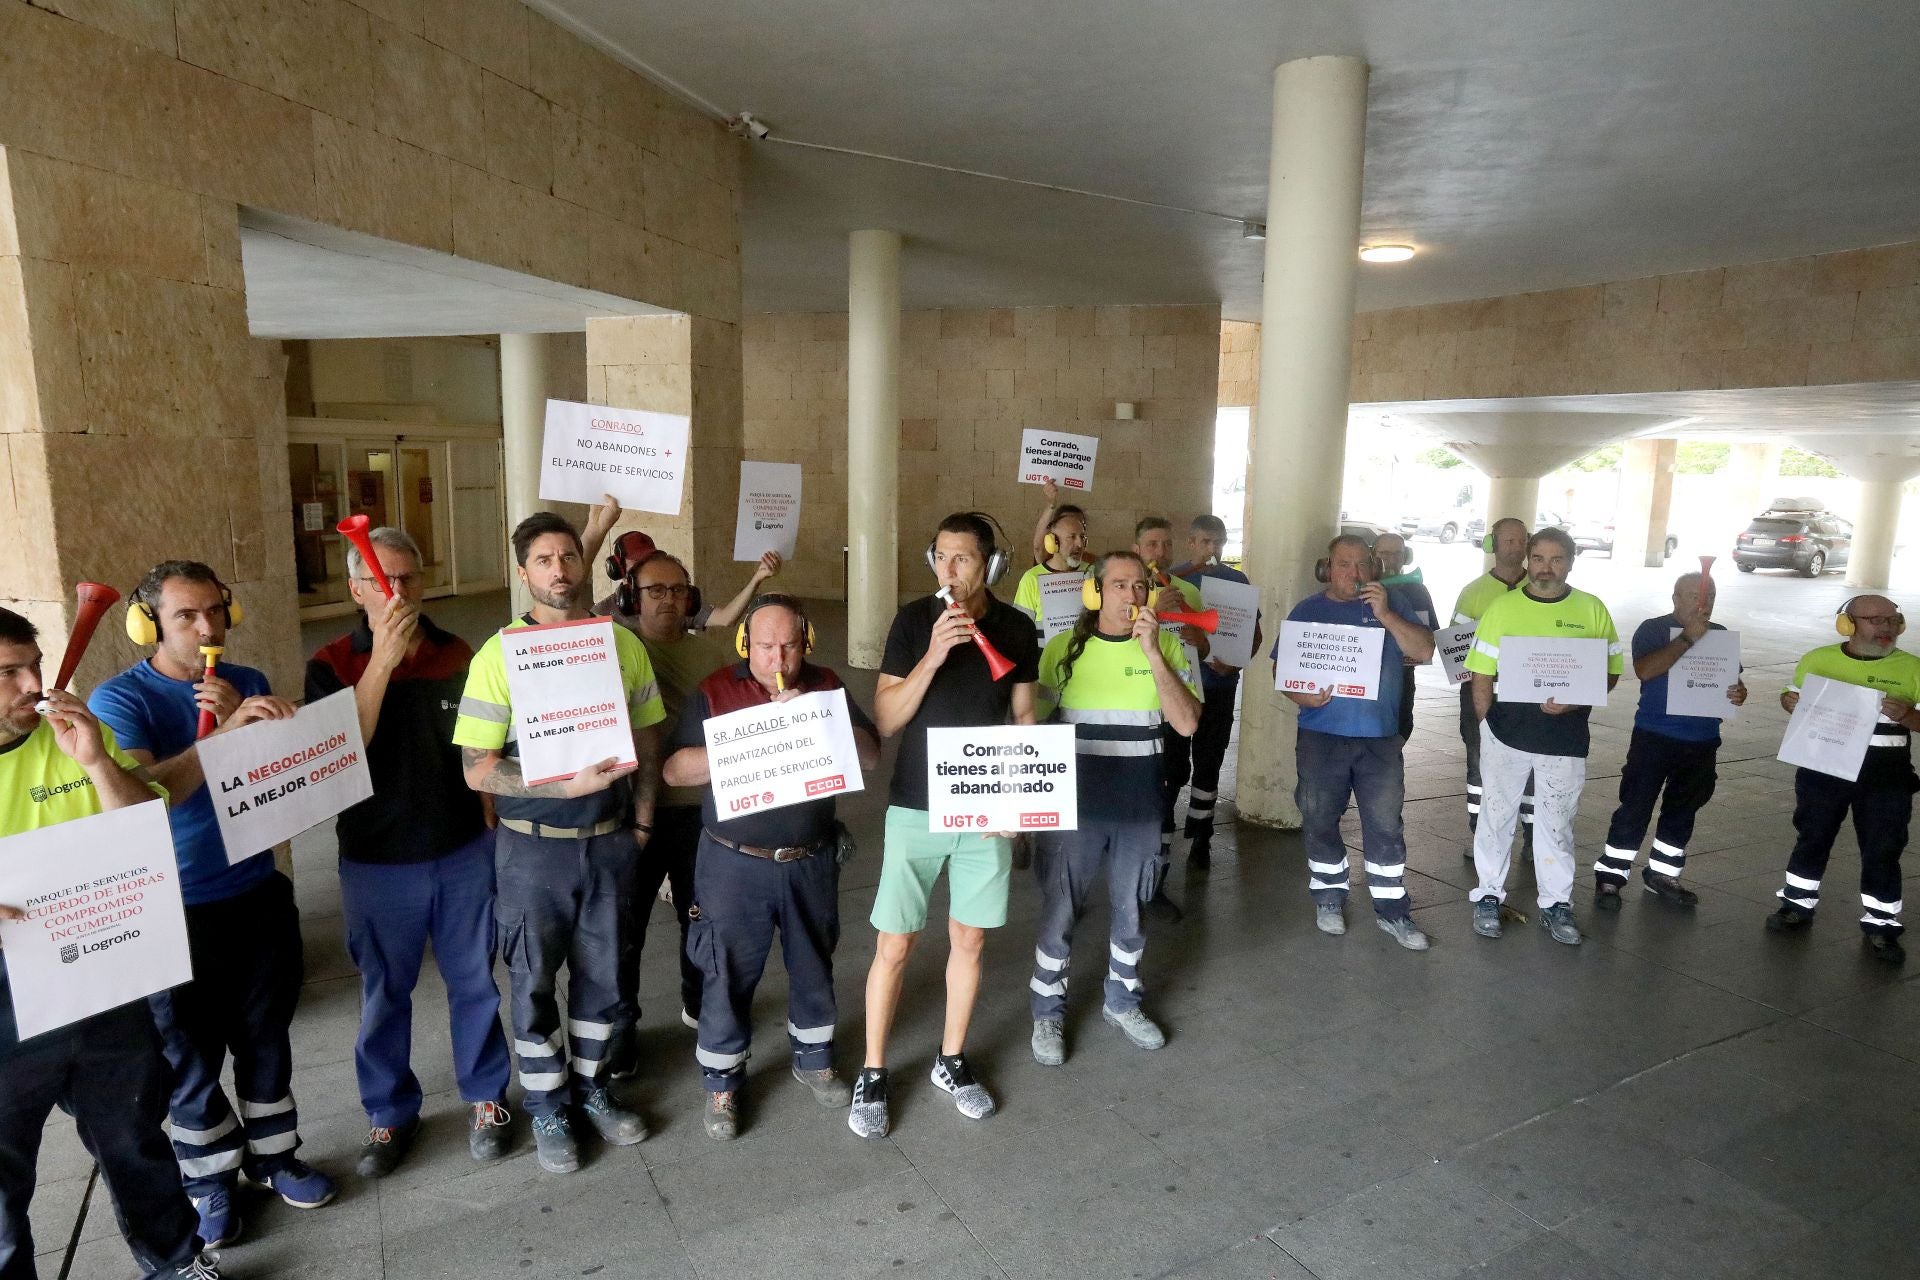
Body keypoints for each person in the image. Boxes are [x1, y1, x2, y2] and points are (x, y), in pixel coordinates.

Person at [90, 562, 329, 1247]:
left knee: (265, 1036)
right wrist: (223, 737)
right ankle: (209, 1178)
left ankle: (276, 1156)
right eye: (186, 617)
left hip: (254, 889)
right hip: (172, 902)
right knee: (188, 1054)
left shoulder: (246, 682)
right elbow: (144, 797)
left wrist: (270, 734)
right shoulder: (120, 700)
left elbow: (278, 779)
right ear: (149, 625)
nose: (206, 629)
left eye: (216, 612)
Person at [0, 609, 223, 1280]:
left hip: (100, 979)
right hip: (6, 1003)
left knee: (133, 1138)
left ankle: (177, 1261)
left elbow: (142, 831)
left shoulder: (70, 735)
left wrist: (95, 761)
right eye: (9, 672)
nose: (33, 684)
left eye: (33, 665)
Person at [452, 513, 665, 1174]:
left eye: (568, 555)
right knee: (534, 979)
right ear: (525, 573)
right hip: (532, 849)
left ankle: (595, 1089)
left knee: (605, 976)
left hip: (609, 844)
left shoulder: (621, 646)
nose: (559, 569)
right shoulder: (498, 656)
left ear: (583, 562)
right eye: (543, 559)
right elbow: (476, 768)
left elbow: (650, 737)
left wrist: (643, 823)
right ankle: (546, 1103)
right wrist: (561, 788)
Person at [305, 526, 512, 1178]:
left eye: (409, 578)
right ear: (356, 588)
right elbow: (341, 749)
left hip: (461, 850)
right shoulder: (332, 662)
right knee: (384, 993)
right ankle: (389, 1113)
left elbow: (480, 750)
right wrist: (383, 662)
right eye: (381, 579)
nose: (397, 591)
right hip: (376, 859)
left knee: (475, 981)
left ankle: (487, 1096)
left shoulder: (458, 653)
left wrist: (491, 827)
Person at [851, 513, 1040, 1140]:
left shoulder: (1016, 627)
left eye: (963, 559)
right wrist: (932, 655)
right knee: (895, 943)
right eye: (941, 557)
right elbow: (886, 716)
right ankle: (874, 1070)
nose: (949, 571)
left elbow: (1023, 718)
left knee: (971, 941)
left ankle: (951, 1060)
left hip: (985, 806)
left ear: (989, 564)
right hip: (915, 805)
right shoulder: (913, 622)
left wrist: (1020, 799)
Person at [663, 596, 880, 1140]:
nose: (779, 659)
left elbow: (870, 757)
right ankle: (722, 1078)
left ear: (806, 642)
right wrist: (750, 740)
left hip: (809, 859)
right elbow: (673, 770)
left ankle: (815, 1058)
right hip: (734, 863)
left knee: (813, 961)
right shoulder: (714, 691)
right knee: (726, 970)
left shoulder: (827, 685)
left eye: (789, 645)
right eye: (765, 647)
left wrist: (817, 719)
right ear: (745, 644)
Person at [1029, 553, 1201, 1066]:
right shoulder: (1062, 649)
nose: (1131, 594)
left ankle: (1122, 1003)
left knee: (1132, 909)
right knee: (1060, 908)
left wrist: (1152, 654)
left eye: (1140, 585)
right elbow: (1028, 725)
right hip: (1072, 804)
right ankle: (1047, 1012)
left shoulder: (1167, 645)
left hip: (1138, 803)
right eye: (1119, 584)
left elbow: (1188, 723)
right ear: (1094, 593)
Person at [598, 548, 735, 1071]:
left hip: (699, 808)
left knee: (700, 919)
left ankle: (701, 1009)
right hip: (632, 807)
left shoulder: (713, 652)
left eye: (678, 590)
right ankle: (621, 1024)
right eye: (655, 590)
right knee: (625, 925)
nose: (669, 600)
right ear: (631, 596)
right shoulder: (612, 649)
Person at [1462, 528, 1622, 946]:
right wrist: (1485, 726)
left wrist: (1574, 700)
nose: (1545, 567)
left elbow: (1611, 670)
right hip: (1506, 733)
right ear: (1528, 560)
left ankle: (1556, 904)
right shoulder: (1503, 608)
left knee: (1557, 823)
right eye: (1538, 558)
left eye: (1556, 559)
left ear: (1570, 562)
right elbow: (1481, 672)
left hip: (1564, 738)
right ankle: (1488, 897)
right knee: (1496, 819)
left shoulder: (1592, 609)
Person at [1278, 535, 1434, 950]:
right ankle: (1328, 897)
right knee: (1318, 818)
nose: (1354, 573)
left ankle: (1393, 911)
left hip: (1379, 739)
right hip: (1321, 736)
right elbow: (1284, 670)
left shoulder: (1392, 604)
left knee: (1385, 825)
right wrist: (1300, 695)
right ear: (1327, 566)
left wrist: (1384, 613)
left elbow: (1423, 650)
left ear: (1374, 569)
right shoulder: (1307, 610)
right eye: (1344, 564)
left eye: (1362, 564)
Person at [1766, 595, 1920, 963]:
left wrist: (1909, 716)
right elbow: (1793, 697)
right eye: (1874, 620)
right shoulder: (1818, 660)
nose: (1885, 628)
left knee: (1884, 847)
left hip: (1886, 775)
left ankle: (1882, 922)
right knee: (1812, 836)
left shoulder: (1913, 668)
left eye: (1892, 620)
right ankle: (1796, 903)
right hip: (1823, 768)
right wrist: (1789, 702)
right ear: (1847, 624)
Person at [1593, 572, 1747, 911]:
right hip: (1654, 735)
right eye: (1692, 594)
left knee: (1682, 810)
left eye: (1708, 595)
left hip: (1703, 740)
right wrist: (1688, 639)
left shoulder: (1720, 635)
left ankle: (1663, 874)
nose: (1701, 602)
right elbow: (1646, 670)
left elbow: (1733, 681)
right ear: (1676, 597)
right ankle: (1612, 876)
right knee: (1635, 806)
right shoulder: (1653, 629)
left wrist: (1738, 693)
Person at [1169, 515, 1261, 869]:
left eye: (1218, 543)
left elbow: (1253, 634)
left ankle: (1201, 835)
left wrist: (1235, 664)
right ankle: (1165, 830)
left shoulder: (1237, 581)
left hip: (1220, 688)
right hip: (1180, 691)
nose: (1212, 550)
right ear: (1191, 543)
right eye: (1205, 542)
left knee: (1209, 764)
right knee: (1174, 765)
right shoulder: (1172, 581)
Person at [1133, 517, 1208, 920]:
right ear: (1137, 548)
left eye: (1165, 545)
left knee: (1172, 783)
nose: (1160, 552)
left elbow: (1202, 640)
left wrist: (1201, 637)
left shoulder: (1188, 591)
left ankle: (1155, 886)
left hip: (1176, 704)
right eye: (1151, 545)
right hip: (1136, 705)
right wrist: (1150, 609)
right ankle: (1122, 883)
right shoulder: (1122, 590)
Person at [1450, 518, 1533, 854]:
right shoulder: (1472, 592)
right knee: (1479, 762)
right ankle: (1480, 833)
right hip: (1478, 691)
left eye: (1520, 540)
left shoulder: (1543, 589)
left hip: (1528, 694)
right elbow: (1455, 649)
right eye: (1507, 540)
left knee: (1532, 764)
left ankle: (1532, 834)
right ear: (1492, 545)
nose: (1514, 546)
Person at [1372, 532, 1436, 744]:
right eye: (1384, 554)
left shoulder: (1418, 591)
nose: (1390, 560)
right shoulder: (1365, 587)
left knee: (1401, 727)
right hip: (1369, 674)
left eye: (1397, 554)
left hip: (1403, 675)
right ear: (1373, 555)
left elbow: (1432, 634)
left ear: (1405, 557)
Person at [1013, 478, 1091, 628]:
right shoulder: (1031, 579)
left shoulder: (1093, 572)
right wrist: (1051, 504)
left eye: (1082, 537)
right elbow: (1020, 629)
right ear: (1053, 542)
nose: (1079, 544)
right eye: (1071, 537)